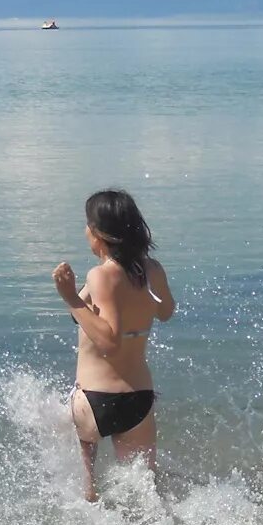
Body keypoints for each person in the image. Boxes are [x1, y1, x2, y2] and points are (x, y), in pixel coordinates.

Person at [52, 190, 175, 502]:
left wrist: (68, 297)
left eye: (87, 226)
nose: (85, 232)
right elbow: (166, 312)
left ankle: (90, 499)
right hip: (139, 401)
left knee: (87, 494)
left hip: (96, 400)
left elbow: (108, 340)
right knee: (148, 495)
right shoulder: (152, 270)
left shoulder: (102, 275)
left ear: (99, 234)